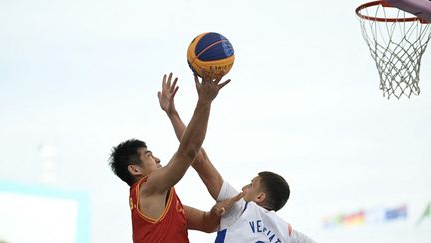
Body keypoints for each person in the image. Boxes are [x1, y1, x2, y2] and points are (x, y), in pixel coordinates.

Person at [159, 76, 317, 243]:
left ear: (260, 197)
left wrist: (177, 112)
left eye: (251, 185)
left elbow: (199, 158)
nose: (244, 188)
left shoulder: (240, 207)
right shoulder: (288, 234)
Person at [109, 70, 238, 243]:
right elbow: (188, 151)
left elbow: (207, 224)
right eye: (149, 156)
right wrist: (204, 101)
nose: (157, 159)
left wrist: (215, 212)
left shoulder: (162, 201)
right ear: (134, 169)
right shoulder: (147, 188)